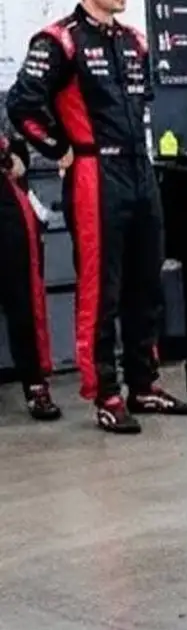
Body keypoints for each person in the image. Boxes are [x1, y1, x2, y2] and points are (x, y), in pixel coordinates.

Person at [6, 0, 186, 433]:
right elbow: (22, 105)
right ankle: (105, 392)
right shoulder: (58, 41)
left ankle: (144, 385)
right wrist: (60, 149)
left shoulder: (135, 41)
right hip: (93, 173)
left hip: (139, 170)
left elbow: (142, 101)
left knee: (147, 282)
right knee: (99, 289)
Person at [0, 119, 60, 421]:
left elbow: (17, 149)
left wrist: (11, 153)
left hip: (6, 201)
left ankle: (35, 382)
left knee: (22, 298)